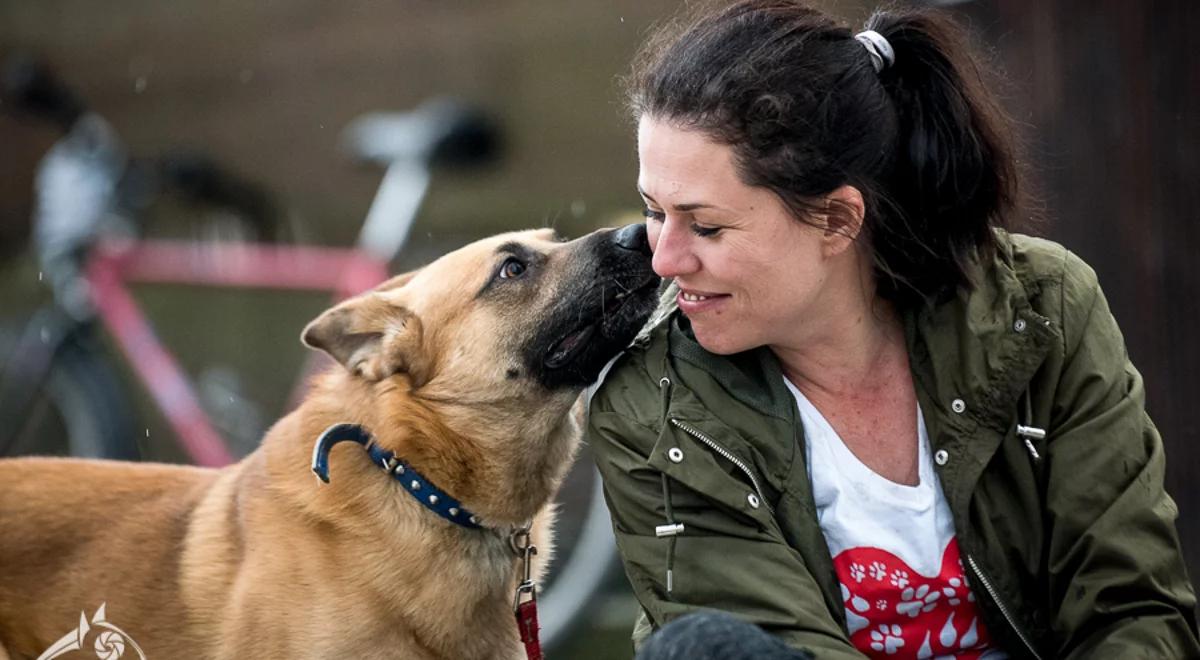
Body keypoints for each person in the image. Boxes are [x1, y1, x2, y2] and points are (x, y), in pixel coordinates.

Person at [585, 2, 1200, 659]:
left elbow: (1134, 610)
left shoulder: (1043, 309)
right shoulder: (655, 411)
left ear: (837, 221)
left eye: (705, 225)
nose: (664, 260)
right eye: (655, 212)